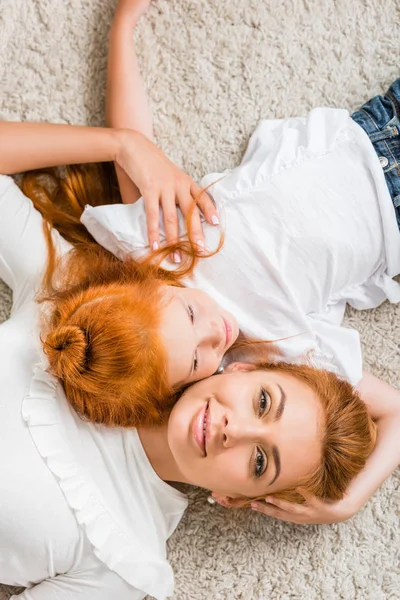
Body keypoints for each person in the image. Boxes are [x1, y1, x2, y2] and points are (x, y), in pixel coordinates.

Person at [0, 145, 375, 599]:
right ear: (240, 370)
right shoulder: (90, 313)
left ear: (236, 500)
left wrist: (348, 504)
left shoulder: (127, 562)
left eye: (260, 461)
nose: (231, 431)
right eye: (262, 402)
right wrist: (118, 142)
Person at [76, 0, 400, 525]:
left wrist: (124, 25)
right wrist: (343, 504)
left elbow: (134, 145)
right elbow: (395, 412)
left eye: (264, 403)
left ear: (247, 373)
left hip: (367, 134)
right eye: (257, 459)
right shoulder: (281, 353)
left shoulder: (159, 272)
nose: (238, 428)